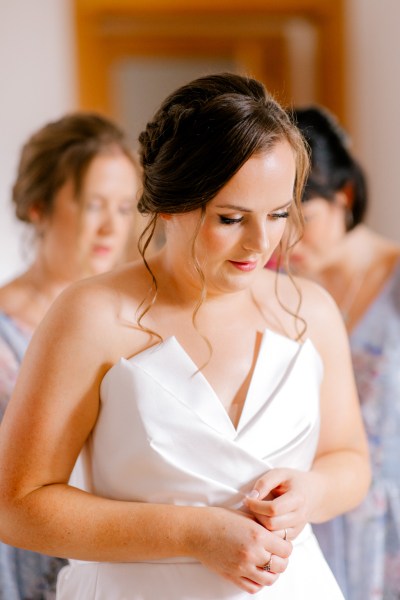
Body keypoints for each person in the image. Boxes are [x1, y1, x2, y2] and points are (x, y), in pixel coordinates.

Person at [0, 74, 370, 600]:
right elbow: (17, 506)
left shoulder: (310, 310)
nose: (262, 243)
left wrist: (311, 493)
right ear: (171, 205)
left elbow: (350, 461)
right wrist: (192, 534)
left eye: (280, 214)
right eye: (231, 217)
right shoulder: (91, 316)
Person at [0, 111, 141, 599]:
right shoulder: (5, 332)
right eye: (93, 205)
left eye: (125, 208)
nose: (111, 228)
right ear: (38, 206)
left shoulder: (140, 325)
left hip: (120, 566)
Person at [287, 105, 400, 600]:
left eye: (302, 217)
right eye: (276, 216)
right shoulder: (276, 288)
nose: (285, 236)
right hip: (311, 518)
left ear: (344, 196)